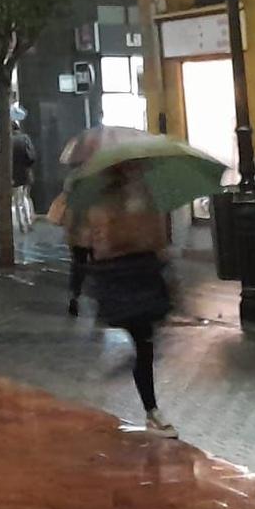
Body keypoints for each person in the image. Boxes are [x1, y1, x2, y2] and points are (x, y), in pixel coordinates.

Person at [67, 162, 176, 438]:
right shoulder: (104, 204)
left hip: (140, 273)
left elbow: (158, 239)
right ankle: (151, 410)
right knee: (144, 341)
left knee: (145, 343)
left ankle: (151, 408)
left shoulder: (142, 197)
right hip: (124, 276)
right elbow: (98, 244)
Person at [10, 127, 37, 233]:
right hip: (26, 171)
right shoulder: (25, 138)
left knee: (17, 199)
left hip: (14, 173)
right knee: (25, 196)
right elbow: (32, 156)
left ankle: (21, 223)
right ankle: (28, 221)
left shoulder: (9, 140)